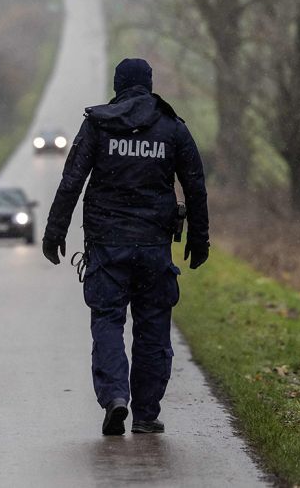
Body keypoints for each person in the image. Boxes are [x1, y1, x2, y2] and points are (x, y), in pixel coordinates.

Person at [41, 57, 209, 436]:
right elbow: (195, 186)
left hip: (107, 247)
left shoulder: (99, 125)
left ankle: (116, 396)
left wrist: (55, 234)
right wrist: (199, 241)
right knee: (152, 328)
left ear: (118, 86)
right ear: (149, 85)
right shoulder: (172, 128)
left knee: (108, 321)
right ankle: (146, 415)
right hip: (154, 248)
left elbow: (71, 182)